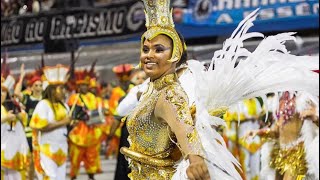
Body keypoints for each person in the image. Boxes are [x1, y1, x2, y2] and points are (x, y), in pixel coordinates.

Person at [119, 1, 211, 179]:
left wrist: (196, 160)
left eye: (158, 49)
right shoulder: (152, 90)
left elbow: (186, 129)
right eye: (145, 49)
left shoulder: (169, 93)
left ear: (175, 54)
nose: (149, 55)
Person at [244, 91, 319, 180]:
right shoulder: (280, 100)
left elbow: (316, 121)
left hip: (296, 156)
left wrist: (314, 117)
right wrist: (258, 132)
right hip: (280, 155)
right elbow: (276, 131)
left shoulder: (305, 98)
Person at [29, 64, 71, 180]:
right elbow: (41, 126)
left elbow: (67, 125)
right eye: (61, 88)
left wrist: (73, 122)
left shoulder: (64, 106)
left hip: (62, 150)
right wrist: (63, 122)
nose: (64, 91)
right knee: (50, 178)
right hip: (48, 150)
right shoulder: (43, 105)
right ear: (52, 90)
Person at [67, 69, 105, 180]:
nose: (84, 87)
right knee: (75, 158)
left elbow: (97, 112)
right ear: (78, 86)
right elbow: (72, 114)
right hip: (78, 133)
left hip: (92, 131)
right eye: (81, 85)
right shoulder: (74, 98)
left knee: (91, 157)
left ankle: (91, 176)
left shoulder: (93, 97)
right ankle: (73, 176)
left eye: (85, 85)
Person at [14, 64, 43, 180]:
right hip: (30, 134)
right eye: (36, 85)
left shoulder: (46, 100)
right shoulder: (28, 99)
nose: (39, 87)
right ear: (31, 87)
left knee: (43, 160)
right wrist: (21, 77)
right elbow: (16, 93)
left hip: (44, 133)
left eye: (41, 85)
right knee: (31, 162)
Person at [1, 75, 29, 180]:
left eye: (3, 91)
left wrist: (17, 114)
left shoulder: (14, 105)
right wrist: (5, 118)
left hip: (16, 146)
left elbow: (26, 120)